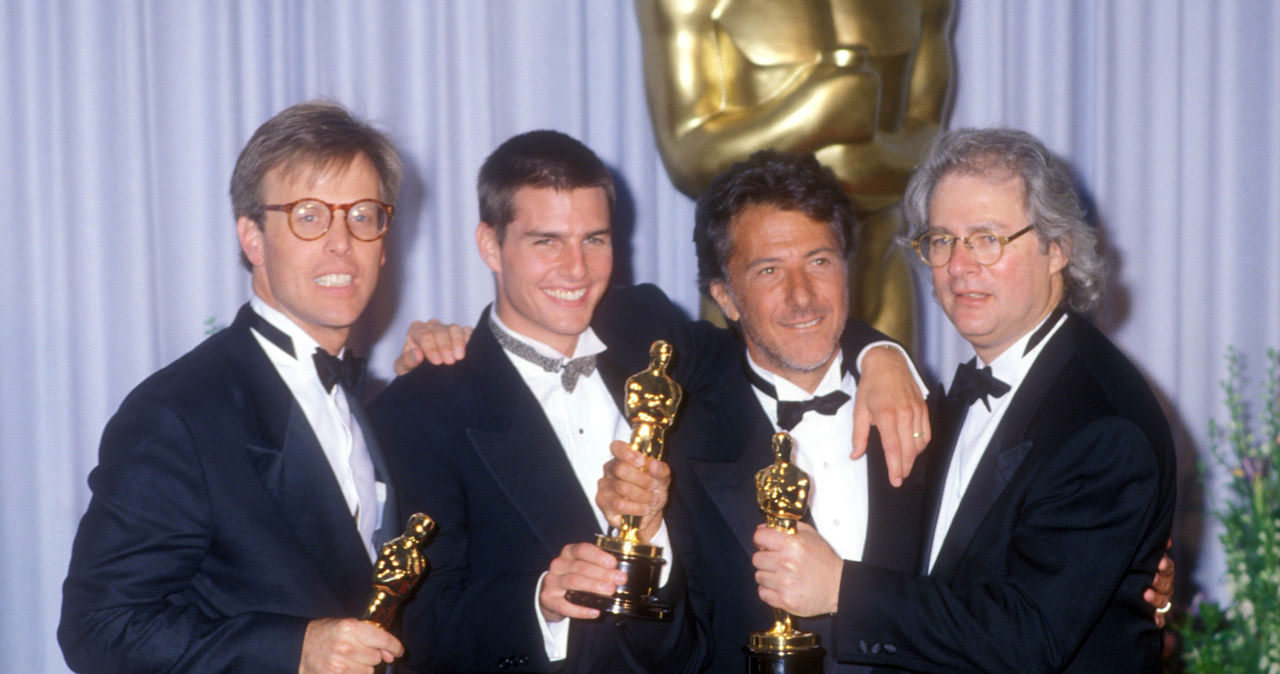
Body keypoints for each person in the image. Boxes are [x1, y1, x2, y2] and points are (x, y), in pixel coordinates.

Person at [372, 130, 927, 673]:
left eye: (595, 239)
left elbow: (780, 330)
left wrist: (879, 353)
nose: (576, 269)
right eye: (546, 241)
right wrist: (540, 599)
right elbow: (415, 623)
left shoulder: (648, 328)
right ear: (490, 245)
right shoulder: (420, 409)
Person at [751, 129, 1177, 672]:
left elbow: (1028, 637)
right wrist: (876, 349)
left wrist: (841, 588)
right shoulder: (954, 392)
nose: (959, 266)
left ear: (1057, 249)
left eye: (987, 238)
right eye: (942, 240)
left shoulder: (1101, 420)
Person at [59, 101, 407, 673]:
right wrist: (295, 649)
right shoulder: (178, 413)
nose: (342, 242)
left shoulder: (363, 395)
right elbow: (98, 628)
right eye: (309, 216)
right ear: (253, 237)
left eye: (363, 215)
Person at [634, 0, 954, 346]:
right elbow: (686, 158)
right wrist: (814, 112)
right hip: (758, 290)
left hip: (877, 275)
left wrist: (839, 146)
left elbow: (930, 144)